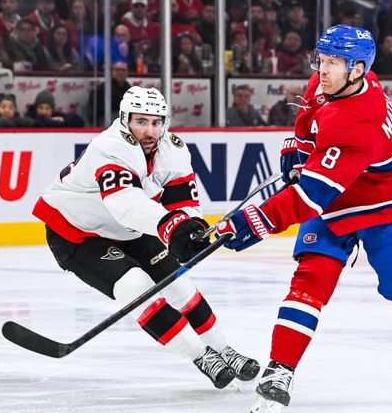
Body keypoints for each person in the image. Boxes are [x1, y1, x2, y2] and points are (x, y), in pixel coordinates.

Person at [214, 25, 392, 413]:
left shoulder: (356, 122)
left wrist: (252, 221)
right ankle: (280, 369)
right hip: (337, 205)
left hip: (390, 209)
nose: (323, 70)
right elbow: (310, 114)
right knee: (310, 280)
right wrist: (299, 143)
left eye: (333, 63)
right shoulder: (334, 81)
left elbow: (309, 196)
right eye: (322, 60)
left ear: (358, 69)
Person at [32, 86, 259, 388]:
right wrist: (169, 226)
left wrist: (191, 228)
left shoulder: (174, 148)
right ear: (125, 120)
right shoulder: (110, 147)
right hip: (76, 231)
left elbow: (183, 202)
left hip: (129, 228)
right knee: (135, 287)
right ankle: (201, 355)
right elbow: (125, 204)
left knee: (179, 284)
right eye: (141, 121)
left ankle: (223, 350)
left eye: (156, 122)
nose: (149, 131)